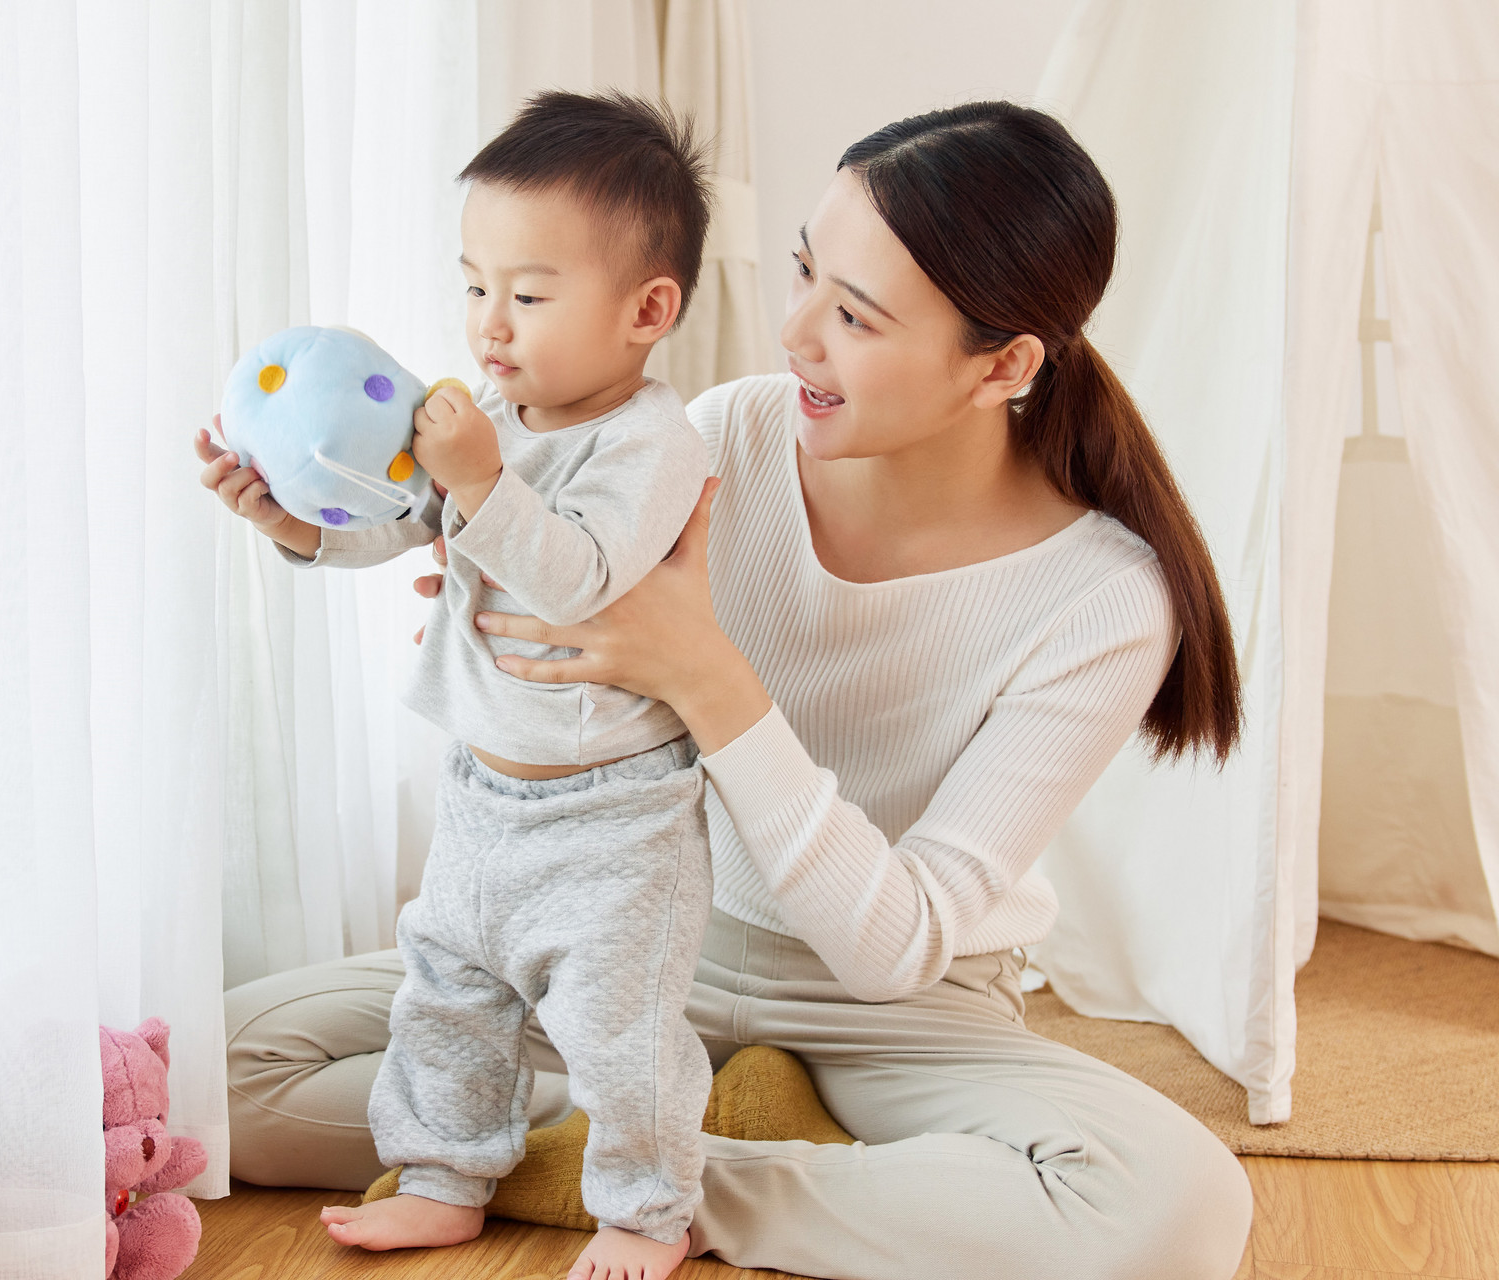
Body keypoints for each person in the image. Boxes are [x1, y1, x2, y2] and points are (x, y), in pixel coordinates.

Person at [205, 100, 1256, 1280]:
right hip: (638, 926)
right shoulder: (721, 436)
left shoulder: (1103, 597)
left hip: (891, 1015)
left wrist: (705, 674)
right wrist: (392, 547)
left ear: (1002, 365)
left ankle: (655, 1172)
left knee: (1178, 1212)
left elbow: (893, 944)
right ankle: (646, 1136)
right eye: (806, 271)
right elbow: (511, 559)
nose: (795, 329)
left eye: (854, 315)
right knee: (226, 1070)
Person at [202, 91, 718, 1280]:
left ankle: (649, 1204)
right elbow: (399, 523)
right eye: (475, 284)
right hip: (483, 791)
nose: (490, 323)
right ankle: (442, 1173)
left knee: (617, 1031)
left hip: (616, 820)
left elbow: (582, 577)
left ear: (647, 311)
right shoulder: (493, 416)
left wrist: (484, 481)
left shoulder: (651, 441)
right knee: (448, 994)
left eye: (529, 294)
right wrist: (288, 517)